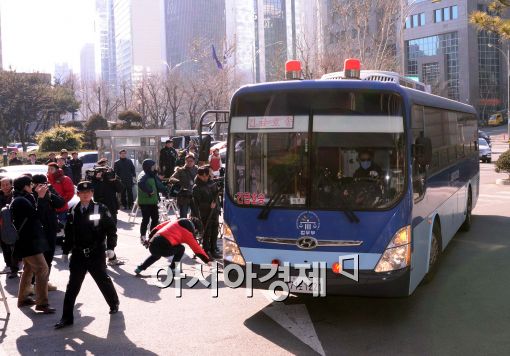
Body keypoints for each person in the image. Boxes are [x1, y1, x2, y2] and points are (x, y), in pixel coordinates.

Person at [55, 181, 120, 329]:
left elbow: (111, 229)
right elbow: (69, 233)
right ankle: (66, 318)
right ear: (77, 194)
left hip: (96, 252)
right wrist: (65, 250)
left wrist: (111, 248)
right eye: (82, 192)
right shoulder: (73, 210)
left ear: (92, 193)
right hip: (78, 253)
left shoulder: (100, 208)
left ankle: (113, 303)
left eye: (88, 192)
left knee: (102, 280)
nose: (85, 195)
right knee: (72, 286)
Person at [11, 175, 55, 313]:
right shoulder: (20, 201)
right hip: (28, 242)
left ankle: (23, 299)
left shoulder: (21, 198)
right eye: (30, 184)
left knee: (29, 269)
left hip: (28, 241)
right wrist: (41, 197)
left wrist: (39, 196)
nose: (33, 186)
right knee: (42, 269)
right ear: (25, 186)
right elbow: (37, 216)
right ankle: (42, 303)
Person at [134, 218, 209, 275]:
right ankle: (172, 268)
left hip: (152, 243)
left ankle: (140, 268)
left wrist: (150, 237)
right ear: (194, 228)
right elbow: (197, 249)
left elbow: (158, 227)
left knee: (156, 255)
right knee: (181, 248)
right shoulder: (188, 233)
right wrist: (207, 261)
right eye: (196, 231)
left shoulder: (175, 221)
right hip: (164, 247)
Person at [31, 174, 65, 291]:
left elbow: (61, 203)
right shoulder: (30, 194)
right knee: (37, 260)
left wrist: (49, 194)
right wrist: (38, 195)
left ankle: (45, 282)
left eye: (45, 184)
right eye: (40, 184)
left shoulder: (49, 190)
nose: (43, 187)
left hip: (50, 228)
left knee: (49, 257)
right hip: (38, 231)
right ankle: (33, 284)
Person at [191, 166, 221, 259]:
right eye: (202, 175)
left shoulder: (212, 184)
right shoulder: (196, 187)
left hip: (214, 212)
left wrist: (217, 206)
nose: (204, 177)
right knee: (206, 232)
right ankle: (206, 250)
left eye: (206, 175)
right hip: (203, 213)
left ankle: (213, 249)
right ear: (198, 175)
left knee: (214, 231)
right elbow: (196, 203)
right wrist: (208, 206)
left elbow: (217, 197)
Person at [137, 159, 169, 243]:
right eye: (152, 166)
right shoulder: (144, 174)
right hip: (145, 202)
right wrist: (150, 191)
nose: (154, 167)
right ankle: (142, 236)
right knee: (146, 219)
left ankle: (152, 234)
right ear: (148, 166)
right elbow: (140, 183)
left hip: (153, 201)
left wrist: (165, 188)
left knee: (155, 218)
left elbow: (158, 184)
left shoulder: (152, 174)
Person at [0, 177, 20, 279]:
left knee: (14, 248)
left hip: (13, 225)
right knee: (5, 247)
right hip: (2, 226)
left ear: (11, 184)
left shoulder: (15, 195)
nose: (5, 187)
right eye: (3, 185)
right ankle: (8, 265)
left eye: (7, 184)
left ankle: (14, 269)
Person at [47, 162, 75, 230]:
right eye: (48, 169)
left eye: (52, 169)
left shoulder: (65, 179)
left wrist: (61, 202)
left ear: (57, 169)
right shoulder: (47, 180)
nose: (50, 170)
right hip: (50, 210)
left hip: (61, 209)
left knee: (61, 229)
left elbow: (70, 192)